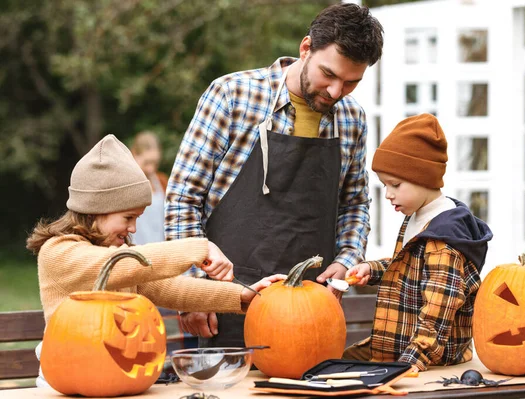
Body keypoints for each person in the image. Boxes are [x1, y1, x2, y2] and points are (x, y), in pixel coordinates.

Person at [164, 2, 384, 347]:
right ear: (306, 48)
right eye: (329, 74)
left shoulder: (351, 119)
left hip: (312, 312)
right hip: (226, 302)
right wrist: (194, 290)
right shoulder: (233, 95)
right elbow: (183, 198)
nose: (336, 92)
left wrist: (346, 260)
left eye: (351, 82)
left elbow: (355, 204)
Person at [26, 135, 284, 385]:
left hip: (120, 380)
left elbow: (172, 289)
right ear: (97, 209)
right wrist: (199, 247)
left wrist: (241, 296)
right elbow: (115, 263)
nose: (134, 228)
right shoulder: (59, 252)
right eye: (128, 218)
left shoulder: (122, 261)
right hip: (68, 382)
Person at [342, 114, 493, 371]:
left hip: (430, 362)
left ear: (423, 177)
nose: (388, 194)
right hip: (400, 347)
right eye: (384, 185)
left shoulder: (444, 239)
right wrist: (373, 269)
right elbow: (412, 267)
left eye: (395, 185)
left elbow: (440, 306)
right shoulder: (419, 216)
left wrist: (414, 359)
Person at [129, 131, 169, 245]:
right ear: (134, 154)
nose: (151, 169)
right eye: (146, 163)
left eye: (154, 163)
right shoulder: (125, 185)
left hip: (162, 252)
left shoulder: (162, 182)